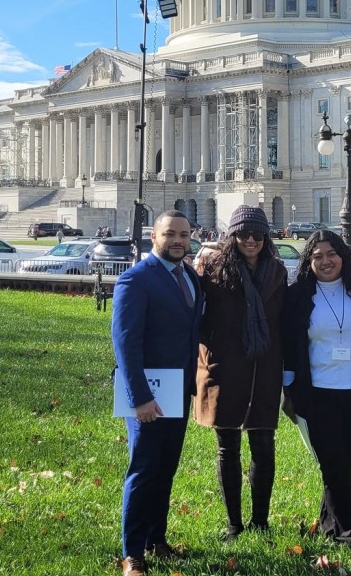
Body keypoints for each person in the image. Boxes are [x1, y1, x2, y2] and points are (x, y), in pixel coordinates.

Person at [111, 210, 205, 576]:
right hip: (148, 394)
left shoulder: (191, 277)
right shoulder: (136, 280)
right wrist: (139, 397)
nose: (179, 240)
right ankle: (132, 552)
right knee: (144, 469)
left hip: (178, 389)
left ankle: (156, 538)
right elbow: (125, 343)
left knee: (166, 468)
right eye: (171, 234)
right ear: (155, 237)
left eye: (184, 234)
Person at [193, 206, 288, 541]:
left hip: (264, 368)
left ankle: (260, 521)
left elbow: (282, 324)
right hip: (225, 368)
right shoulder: (212, 269)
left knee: (264, 445)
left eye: (258, 234)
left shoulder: (276, 272)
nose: (251, 240)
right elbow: (196, 317)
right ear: (232, 236)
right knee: (227, 447)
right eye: (244, 234)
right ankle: (234, 523)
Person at [282, 230, 351, 543]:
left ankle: (328, 521)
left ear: (343, 256)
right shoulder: (297, 295)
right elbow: (289, 347)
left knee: (342, 464)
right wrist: (288, 390)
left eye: (331, 254)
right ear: (309, 261)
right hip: (317, 392)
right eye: (317, 256)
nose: (325, 261)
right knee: (334, 464)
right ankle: (349, 528)